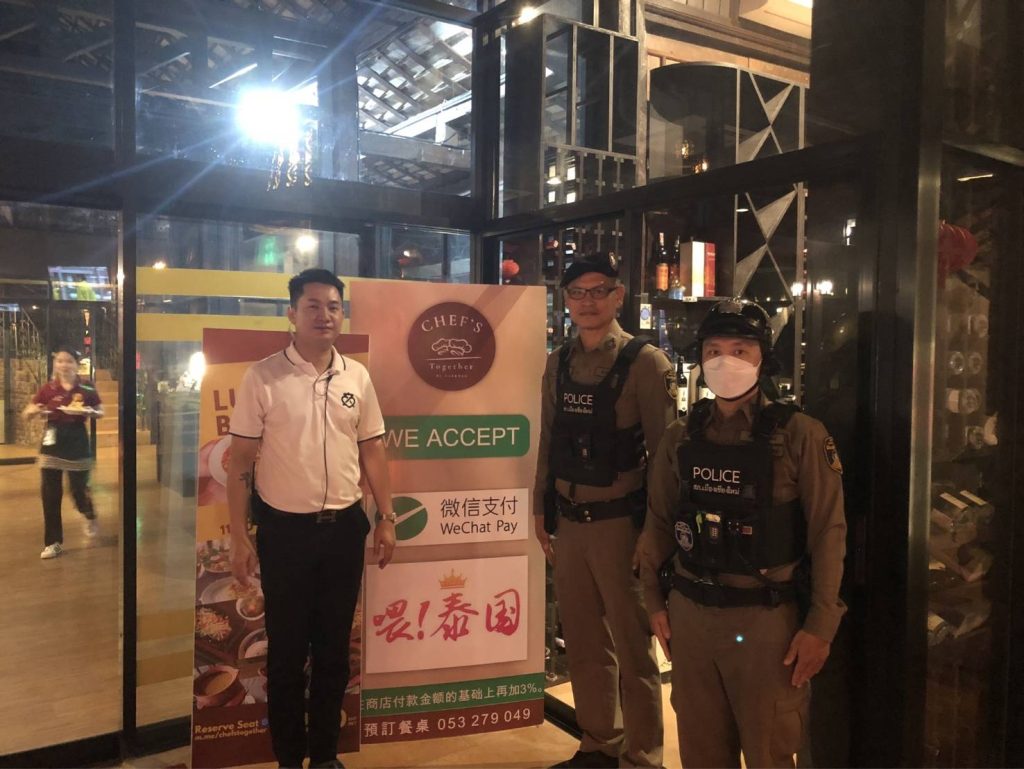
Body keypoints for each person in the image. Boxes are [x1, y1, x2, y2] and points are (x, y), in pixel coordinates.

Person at [639, 298, 847, 768]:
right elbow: (659, 523)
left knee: (769, 749)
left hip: (766, 622)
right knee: (700, 752)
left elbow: (828, 533)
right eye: (713, 351)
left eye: (740, 350)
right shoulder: (680, 436)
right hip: (691, 615)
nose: (725, 361)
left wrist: (820, 625)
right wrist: (653, 601)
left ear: (762, 359)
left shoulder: (801, 435)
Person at [227, 268, 396, 769]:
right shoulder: (263, 377)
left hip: (343, 530)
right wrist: (239, 537)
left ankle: (323, 756)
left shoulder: (356, 376)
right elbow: (240, 463)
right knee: (285, 655)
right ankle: (288, 758)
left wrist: (387, 516)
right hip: (285, 534)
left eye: (333, 306)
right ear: (292, 314)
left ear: (342, 314)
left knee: (333, 652)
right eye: (313, 306)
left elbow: (373, 450)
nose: (325, 315)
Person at [534, 251, 675, 769]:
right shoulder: (559, 362)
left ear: (618, 296)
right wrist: (541, 508)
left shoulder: (646, 362)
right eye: (577, 293)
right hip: (570, 523)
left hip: (623, 525)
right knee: (586, 642)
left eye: (599, 291)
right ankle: (598, 743)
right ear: (566, 301)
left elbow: (665, 457)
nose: (587, 302)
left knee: (634, 648)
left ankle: (643, 756)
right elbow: (549, 440)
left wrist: (655, 535)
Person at [23, 345, 102, 559]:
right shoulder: (48, 388)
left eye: (68, 361)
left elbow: (100, 410)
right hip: (52, 442)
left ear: (76, 365)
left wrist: (92, 412)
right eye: (60, 361)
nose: (64, 365)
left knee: (78, 490)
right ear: (55, 364)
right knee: (50, 494)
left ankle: (88, 513)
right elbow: (28, 411)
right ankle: (53, 542)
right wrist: (34, 411)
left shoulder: (86, 387)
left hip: (77, 441)